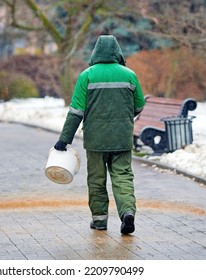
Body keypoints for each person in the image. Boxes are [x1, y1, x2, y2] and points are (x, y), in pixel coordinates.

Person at [53, 35, 146, 235]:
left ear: (96, 52)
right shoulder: (129, 74)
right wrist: (124, 117)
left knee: (96, 178)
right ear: (117, 52)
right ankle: (127, 212)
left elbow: (76, 111)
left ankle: (99, 220)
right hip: (122, 138)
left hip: (95, 140)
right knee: (122, 176)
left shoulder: (87, 75)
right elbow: (139, 105)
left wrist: (64, 140)